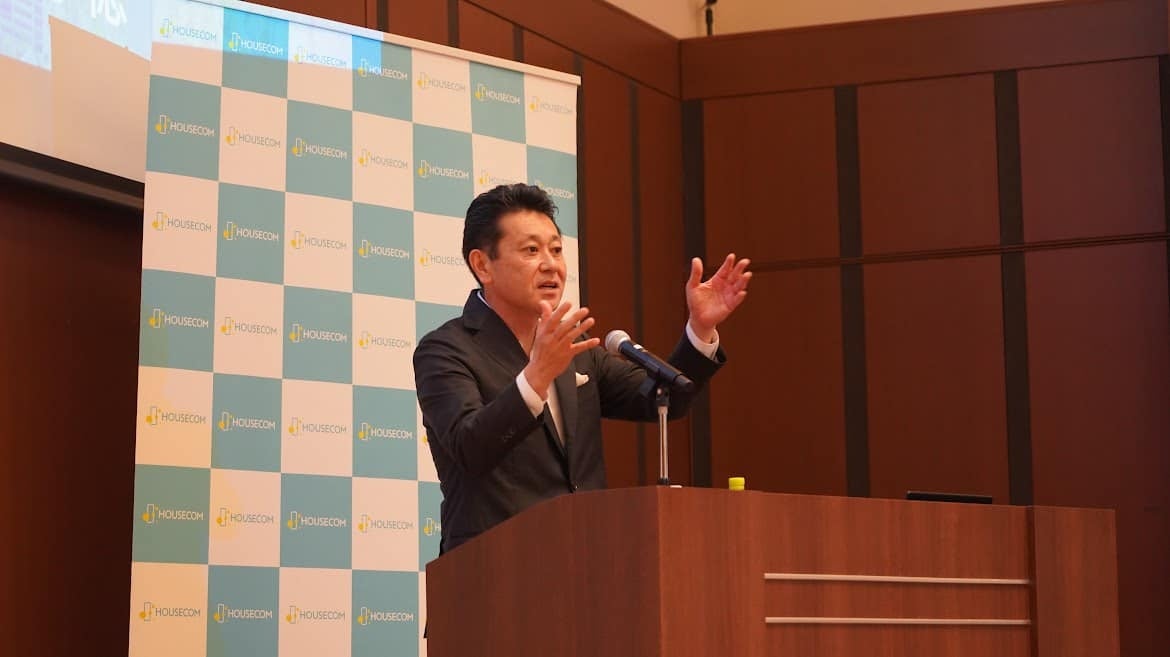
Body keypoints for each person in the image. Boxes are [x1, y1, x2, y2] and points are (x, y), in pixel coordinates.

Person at [413, 183, 751, 554]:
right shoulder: (445, 350)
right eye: (531, 250)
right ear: (483, 265)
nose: (551, 264)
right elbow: (469, 448)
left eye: (556, 249)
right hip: (493, 568)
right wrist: (536, 377)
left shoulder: (574, 349)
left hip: (585, 562)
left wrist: (699, 330)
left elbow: (662, 397)